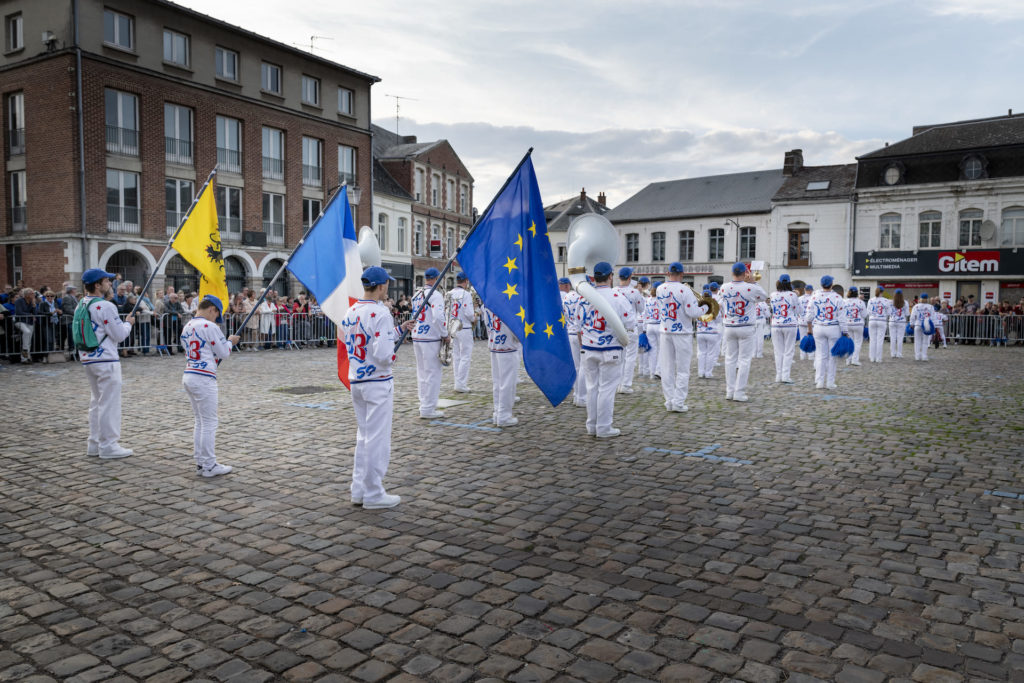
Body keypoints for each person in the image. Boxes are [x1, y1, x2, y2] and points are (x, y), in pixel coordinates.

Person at [341, 266, 415, 509]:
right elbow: (383, 353)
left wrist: (399, 330)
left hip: (357, 381)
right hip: (378, 382)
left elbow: (366, 338)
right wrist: (393, 358)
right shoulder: (380, 312)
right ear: (382, 285)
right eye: (387, 285)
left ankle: (359, 489)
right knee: (377, 439)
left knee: (363, 437)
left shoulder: (351, 311)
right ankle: (374, 492)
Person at [179, 295, 241, 477]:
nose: (216, 319)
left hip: (190, 373)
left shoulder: (187, 326)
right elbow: (223, 352)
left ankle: (201, 461)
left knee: (200, 421)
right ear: (212, 309)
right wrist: (230, 341)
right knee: (209, 422)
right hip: (203, 377)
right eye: (217, 315)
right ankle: (208, 464)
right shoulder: (209, 326)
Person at [78, 268, 134, 458]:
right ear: (97, 285)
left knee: (97, 402)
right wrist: (128, 324)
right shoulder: (105, 306)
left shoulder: (82, 304)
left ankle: (94, 443)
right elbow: (118, 335)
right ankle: (108, 445)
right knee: (109, 403)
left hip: (89, 358)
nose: (110, 283)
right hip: (106, 359)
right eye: (107, 280)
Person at [577, 261, 632, 436]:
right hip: (610, 349)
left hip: (588, 347)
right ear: (610, 276)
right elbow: (630, 324)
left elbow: (578, 326)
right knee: (606, 390)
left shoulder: (584, 297)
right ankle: (604, 427)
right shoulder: (618, 298)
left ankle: (591, 425)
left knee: (592, 387)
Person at [657, 262, 706, 410]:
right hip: (682, 333)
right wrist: (705, 307)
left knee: (667, 368)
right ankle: (678, 402)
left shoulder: (660, 288)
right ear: (682, 274)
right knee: (683, 369)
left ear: (668, 273)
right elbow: (692, 313)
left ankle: (669, 401)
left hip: (665, 331)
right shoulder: (685, 290)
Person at [720, 263, 768, 401]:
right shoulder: (750, 287)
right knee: (744, 360)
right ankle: (739, 392)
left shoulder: (724, 287)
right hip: (746, 327)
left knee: (730, 360)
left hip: (729, 326)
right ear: (745, 273)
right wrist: (753, 282)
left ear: (732, 272)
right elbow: (764, 297)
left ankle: (729, 391)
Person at [411, 268, 449, 418]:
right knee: (433, 374)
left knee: (422, 372)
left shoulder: (416, 294)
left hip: (418, 335)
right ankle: (428, 408)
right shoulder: (435, 294)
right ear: (437, 278)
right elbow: (438, 316)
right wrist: (445, 334)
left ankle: (424, 404)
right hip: (430, 337)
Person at [805, 275, 846, 389]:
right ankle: (830, 382)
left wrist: (809, 330)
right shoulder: (838, 297)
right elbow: (842, 317)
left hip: (818, 327)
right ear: (831, 284)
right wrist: (845, 332)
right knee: (832, 356)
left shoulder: (814, 297)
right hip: (833, 327)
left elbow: (808, 316)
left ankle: (819, 381)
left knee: (820, 355)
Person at [483, 306, 520, 426]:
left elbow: (486, 321)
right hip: (507, 344)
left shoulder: (488, 299)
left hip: (495, 342)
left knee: (497, 382)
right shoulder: (509, 301)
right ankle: (504, 416)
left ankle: (498, 412)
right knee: (507, 382)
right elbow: (515, 324)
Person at [614, 267, 644, 394]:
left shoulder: (613, 291)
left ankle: (617, 384)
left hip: (616, 327)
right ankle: (626, 385)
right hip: (630, 328)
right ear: (630, 277)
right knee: (630, 357)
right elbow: (641, 309)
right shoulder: (634, 292)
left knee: (618, 357)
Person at [559, 278, 587, 406]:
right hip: (580, 333)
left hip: (569, 331)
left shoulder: (567, 296)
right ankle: (581, 397)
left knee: (576, 366)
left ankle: (576, 394)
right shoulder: (584, 297)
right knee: (583, 367)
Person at [769, 273, 800, 383]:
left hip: (776, 324)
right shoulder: (793, 295)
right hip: (789, 324)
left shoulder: (773, 294)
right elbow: (798, 311)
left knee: (778, 351)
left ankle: (778, 375)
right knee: (788, 351)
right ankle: (785, 376)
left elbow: (772, 308)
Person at [448, 272, 476, 393]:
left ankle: (457, 382)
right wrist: (475, 317)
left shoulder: (449, 293)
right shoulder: (466, 294)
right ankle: (461, 383)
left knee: (456, 356)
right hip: (464, 327)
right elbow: (469, 313)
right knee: (465, 356)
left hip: (452, 327)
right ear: (466, 281)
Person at [694, 284, 720, 379]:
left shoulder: (698, 306)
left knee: (701, 353)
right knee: (711, 353)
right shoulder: (714, 306)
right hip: (712, 332)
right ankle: (708, 373)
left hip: (700, 332)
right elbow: (718, 320)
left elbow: (696, 318)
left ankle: (700, 372)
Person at [841, 287, 867, 366]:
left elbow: (841, 313)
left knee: (850, 342)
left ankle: (848, 359)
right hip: (858, 324)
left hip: (847, 323)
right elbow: (864, 315)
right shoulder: (860, 302)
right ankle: (855, 359)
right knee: (858, 342)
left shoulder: (844, 301)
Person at [866, 287, 892, 363]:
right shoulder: (886, 300)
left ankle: (872, 357)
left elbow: (868, 312)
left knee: (872, 340)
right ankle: (878, 358)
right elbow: (889, 312)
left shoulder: (871, 300)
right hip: (882, 320)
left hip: (872, 320)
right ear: (882, 292)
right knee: (880, 340)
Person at [642, 280, 661, 379]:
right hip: (659, 325)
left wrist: (644, 328)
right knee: (662, 349)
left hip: (649, 325)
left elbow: (644, 314)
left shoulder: (647, 300)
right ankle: (658, 370)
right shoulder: (661, 299)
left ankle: (652, 373)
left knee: (652, 350)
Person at [909, 292, 937, 361]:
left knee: (917, 341)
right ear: (927, 299)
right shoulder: (930, 307)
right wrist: (934, 326)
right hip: (926, 325)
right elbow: (933, 317)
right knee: (925, 341)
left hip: (918, 324)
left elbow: (912, 316)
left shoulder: (916, 306)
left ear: (920, 298)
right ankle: (924, 356)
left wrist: (911, 324)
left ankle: (917, 356)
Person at [13, 287, 37, 363]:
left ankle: (26, 358)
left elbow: (35, 314)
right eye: (31, 293)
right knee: (27, 332)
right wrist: (30, 315)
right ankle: (24, 358)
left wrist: (34, 305)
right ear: (26, 295)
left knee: (29, 340)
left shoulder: (31, 302)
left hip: (29, 322)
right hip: (20, 322)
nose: (33, 295)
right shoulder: (19, 301)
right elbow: (19, 312)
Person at [888, 289, 909, 358]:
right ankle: (899, 353)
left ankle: (892, 353)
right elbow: (907, 313)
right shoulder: (905, 302)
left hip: (892, 320)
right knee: (900, 338)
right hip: (901, 321)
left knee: (893, 338)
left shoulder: (890, 302)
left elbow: (888, 312)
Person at [798, 284, 814, 360]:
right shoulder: (813, 298)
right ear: (811, 290)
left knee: (802, 338)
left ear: (805, 290)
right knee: (811, 338)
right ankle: (811, 355)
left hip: (801, 320)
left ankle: (802, 355)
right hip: (811, 321)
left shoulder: (800, 298)